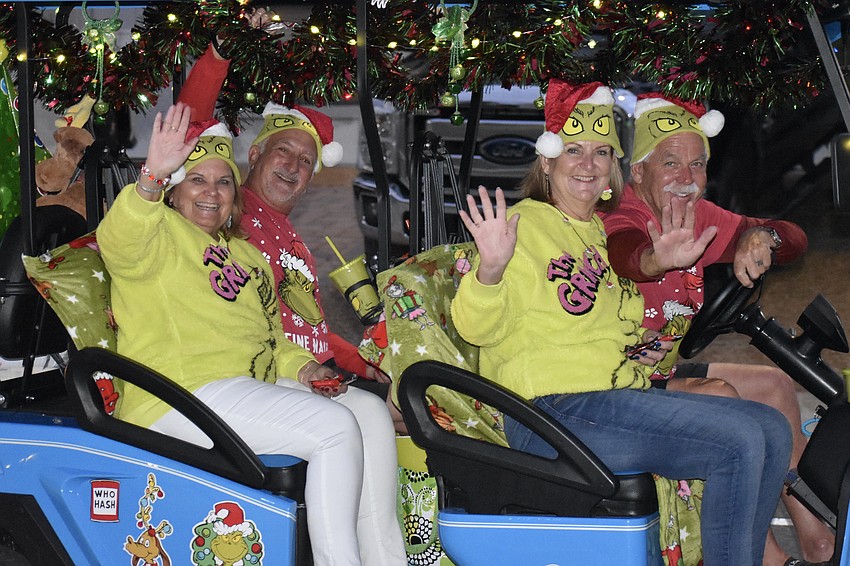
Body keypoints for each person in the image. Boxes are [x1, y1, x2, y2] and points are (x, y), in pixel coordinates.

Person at [450, 79, 792, 566]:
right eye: (574, 151)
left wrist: (643, 341)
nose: (588, 165)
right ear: (547, 162)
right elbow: (474, 328)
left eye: (600, 152)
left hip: (611, 398)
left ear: (614, 166)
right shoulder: (522, 227)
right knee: (736, 441)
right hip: (548, 410)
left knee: (772, 428)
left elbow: (615, 314)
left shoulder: (596, 232)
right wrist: (490, 270)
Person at [98, 102, 406, 566]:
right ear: (175, 190)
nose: (212, 192)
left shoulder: (244, 255)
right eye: (197, 179)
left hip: (242, 385)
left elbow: (271, 337)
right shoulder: (157, 233)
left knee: (366, 412)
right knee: (334, 428)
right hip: (179, 393)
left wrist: (305, 368)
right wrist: (151, 177)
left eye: (223, 181)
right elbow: (119, 238)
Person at [601, 93, 833, 566]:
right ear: (638, 172)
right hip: (616, 381)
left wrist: (760, 236)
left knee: (773, 384)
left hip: (659, 371)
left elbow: (794, 238)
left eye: (698, 165)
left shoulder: (698, 215)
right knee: (725, 400)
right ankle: (768, 559)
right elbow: (626, 253)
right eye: (670, 163)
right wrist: (656, 259)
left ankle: (820, 542)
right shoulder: (621, 215)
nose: (687, 180)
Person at [176, 19, 405, 432]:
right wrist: (219, 54)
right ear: (258, 151)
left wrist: (368, 365)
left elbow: (309, 332)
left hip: (309, 371)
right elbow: (187, 129)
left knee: (402, 410)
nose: (293, 166)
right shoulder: (225, 211)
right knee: (389, 418)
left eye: (306, 161)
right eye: (284, 151)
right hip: (262, 376)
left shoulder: (293, 240)